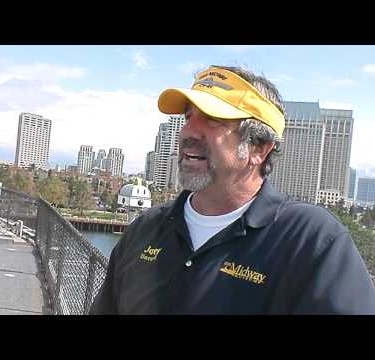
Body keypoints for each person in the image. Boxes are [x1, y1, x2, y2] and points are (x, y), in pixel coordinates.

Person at [90, 65, 375, 314]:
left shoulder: (312, 241)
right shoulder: (145, 229)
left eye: (213, 119)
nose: (188, 131)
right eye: (188, 117)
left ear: (259, 148)